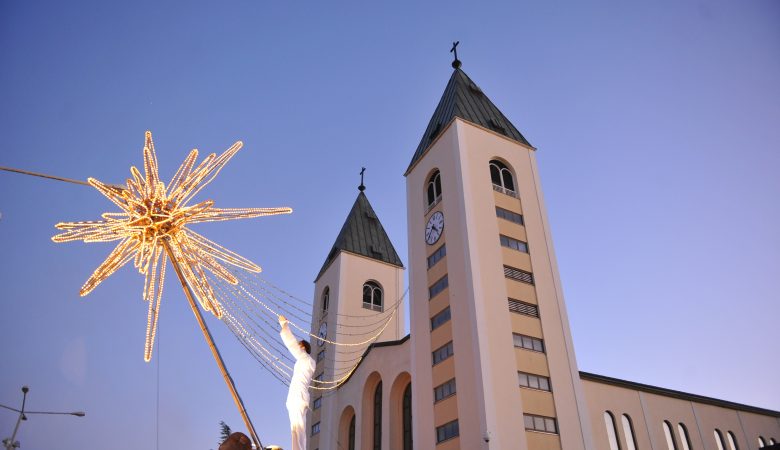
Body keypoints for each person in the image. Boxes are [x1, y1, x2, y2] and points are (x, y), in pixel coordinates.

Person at [279, 314, 316, 450]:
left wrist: (284, 326)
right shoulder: (305, 361)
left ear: (303, 348)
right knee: (295, 429)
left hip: (298, 397)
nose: (298, 348)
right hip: (296, 397)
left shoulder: (306, 359)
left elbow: (292, 345)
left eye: (300, 346)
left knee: (298, 429)